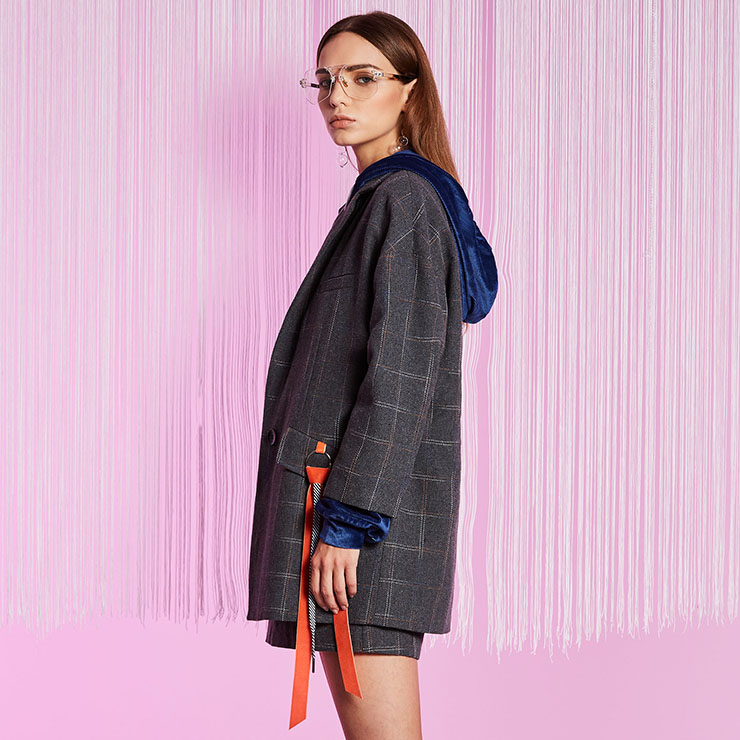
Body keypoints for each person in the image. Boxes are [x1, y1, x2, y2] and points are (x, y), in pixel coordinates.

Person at [247, 11, 498, 739]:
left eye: (362, 78)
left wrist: (349, 522)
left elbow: (401, 379)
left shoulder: (404, 200)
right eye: (326, 80)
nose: (337, 97)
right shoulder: (382, 199)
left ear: (409, 91)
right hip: (350, 522)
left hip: (360, 532)